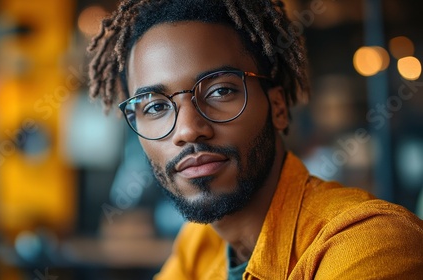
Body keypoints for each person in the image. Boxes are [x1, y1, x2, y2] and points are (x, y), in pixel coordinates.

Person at [87, 0, 423, 279]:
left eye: (220, 91)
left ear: (277, 107)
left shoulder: (369, 243)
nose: (188, 129)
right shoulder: (201, 246)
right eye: (156, 106)